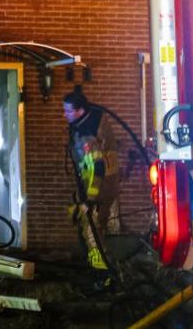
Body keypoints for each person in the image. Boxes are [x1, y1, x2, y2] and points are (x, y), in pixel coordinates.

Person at [63, 85, 119, 272]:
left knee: (92, 232)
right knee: (88, 228)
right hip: (93, 187)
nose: (65, 115)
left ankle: (104, 273)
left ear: (80, 111)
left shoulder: (87, 135)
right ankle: (100, 268)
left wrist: (90, 200)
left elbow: (98, 167)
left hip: (98, 189)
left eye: (69, 111)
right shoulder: (86, 125)